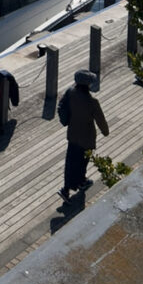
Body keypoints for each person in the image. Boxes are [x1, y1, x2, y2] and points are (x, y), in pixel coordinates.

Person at [57, 69, 109, 202]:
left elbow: (62, 106)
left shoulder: (70, 93)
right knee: (82, 163)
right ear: (88, 85)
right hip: (87, 138)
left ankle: (66, 189)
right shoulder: (93, 102)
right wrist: (105, 132)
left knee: (70, 163)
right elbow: (101, 120)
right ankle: (81, 182)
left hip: (73, 134)